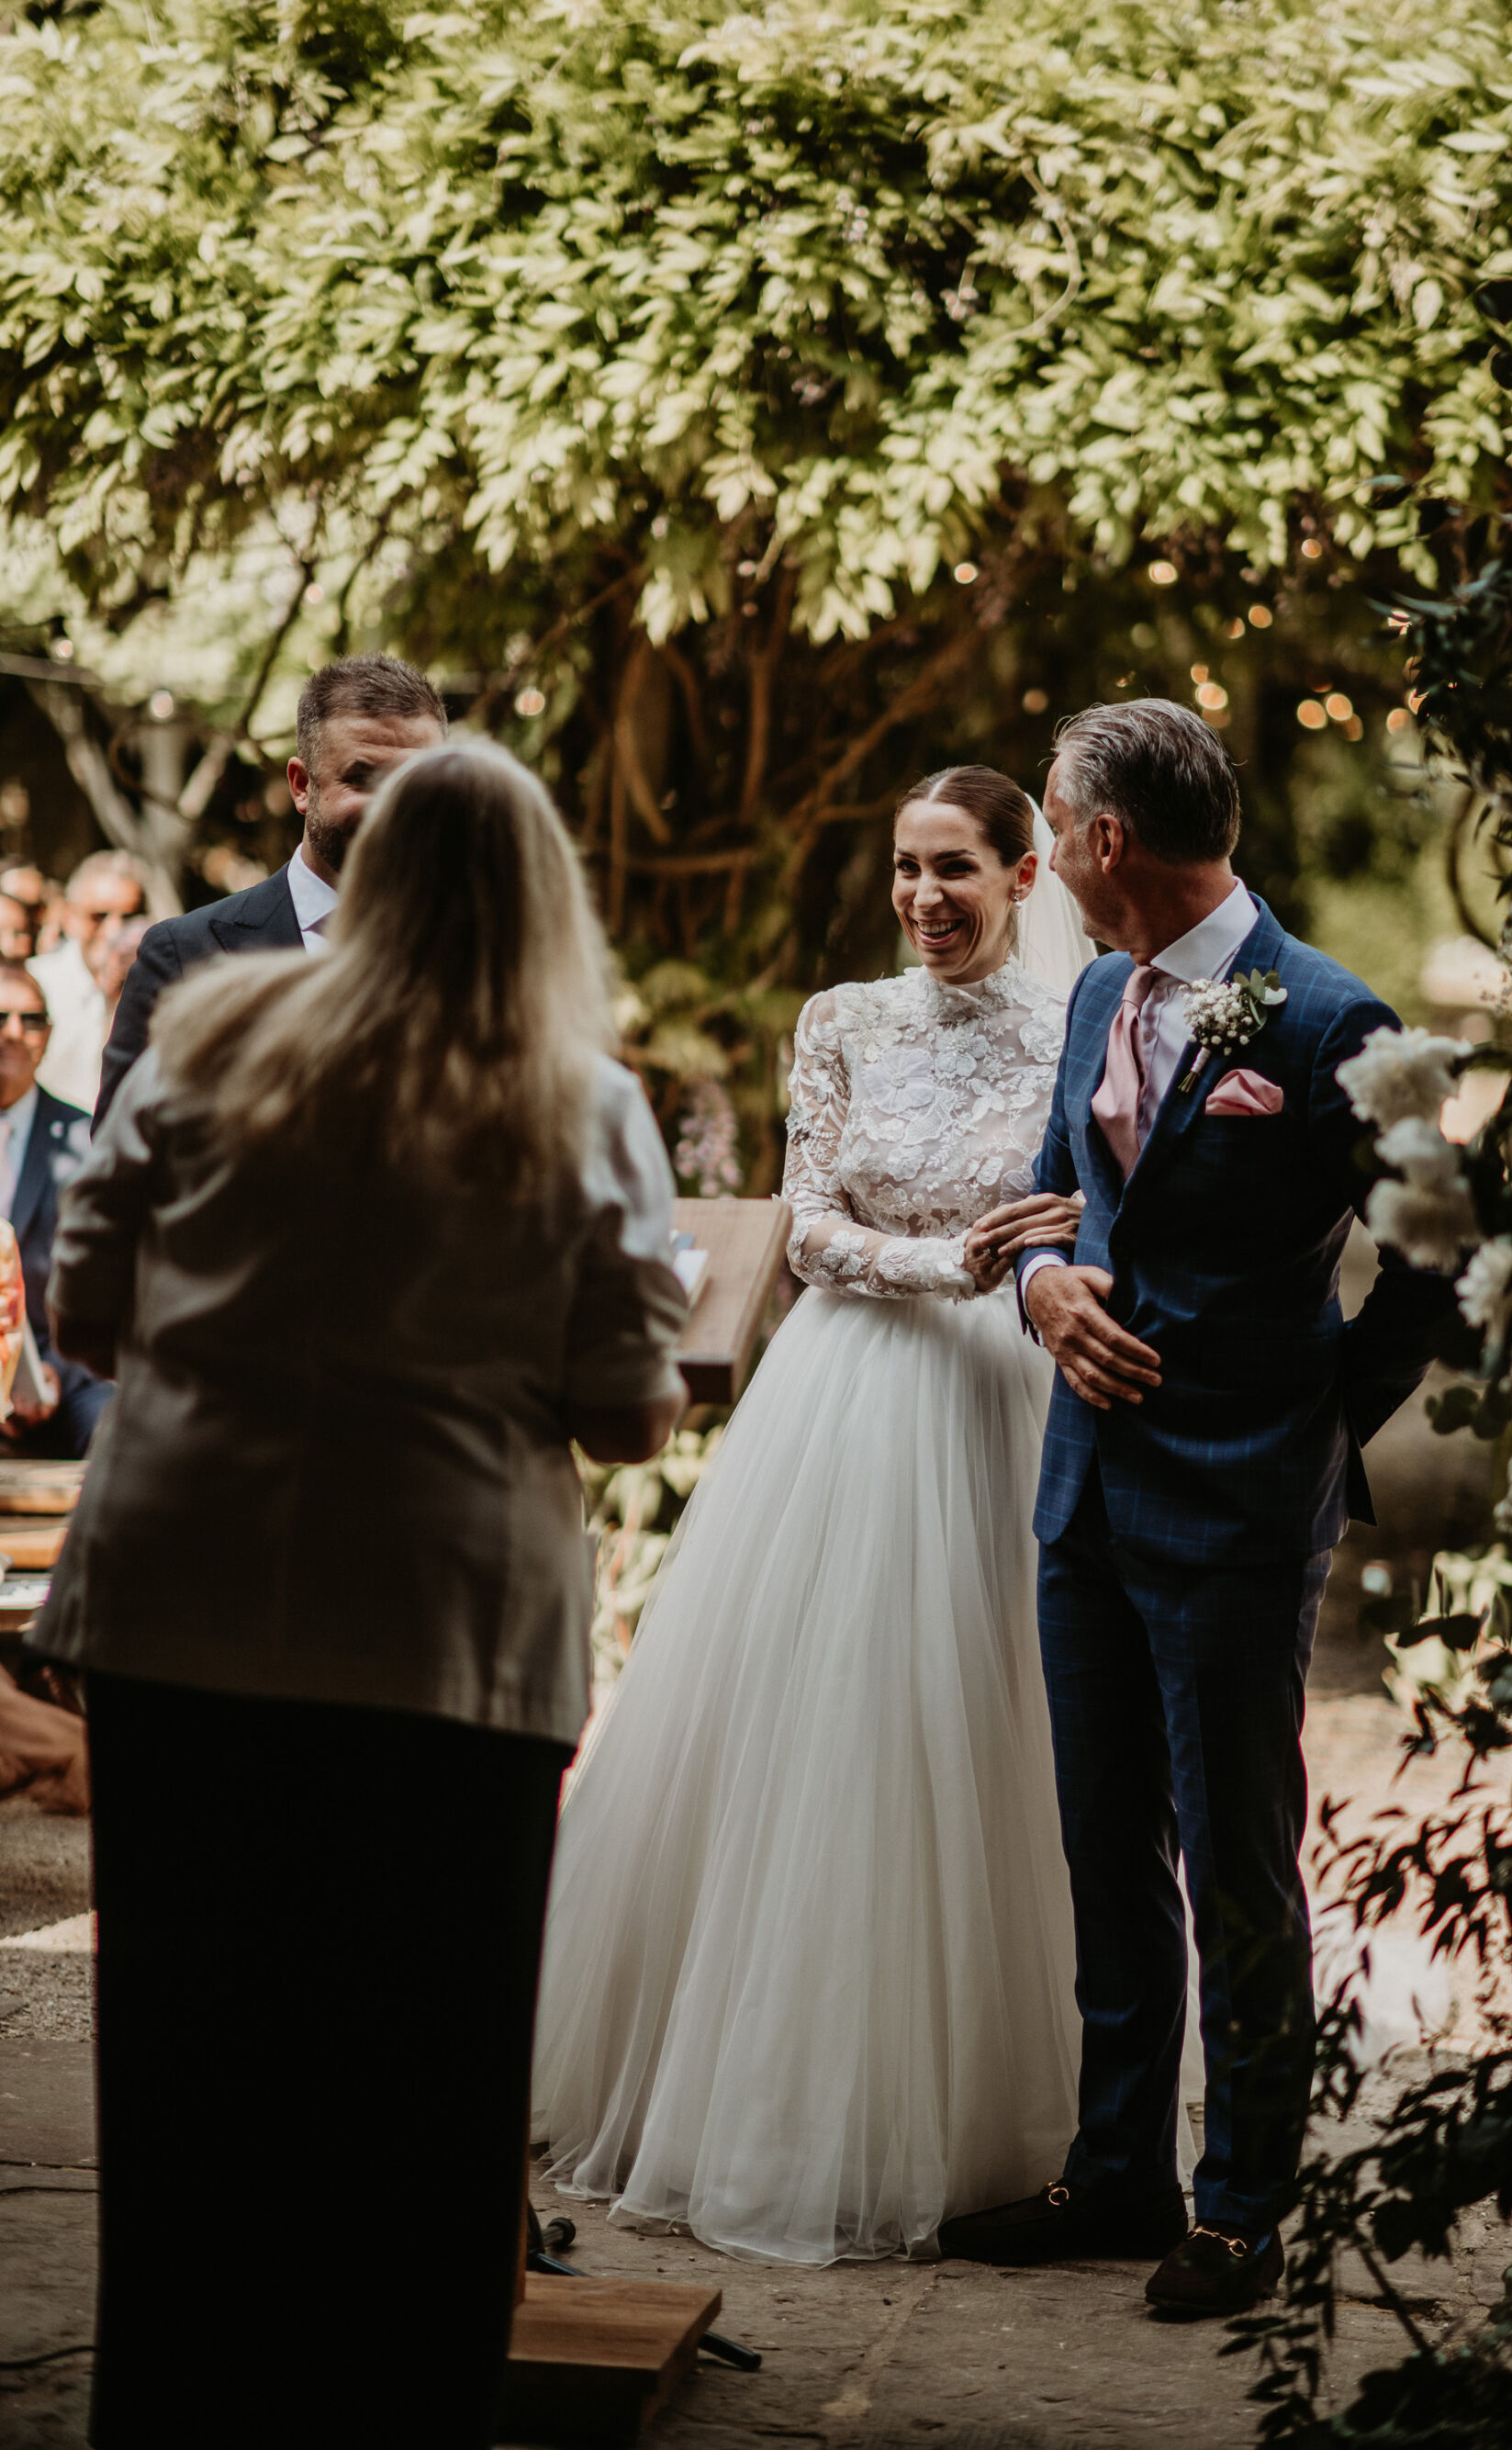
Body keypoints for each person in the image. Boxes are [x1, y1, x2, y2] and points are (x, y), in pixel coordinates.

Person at [36, 740, 689, 2448]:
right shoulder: (573, 1097)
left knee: (187, 2061)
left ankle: (177, 2412)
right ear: (545, 903)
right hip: (443, 1634)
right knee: (425, 2083)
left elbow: (84, 1315)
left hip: (181, 1604)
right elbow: (625, 1409)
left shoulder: (206, 1040)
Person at [529, 765, 1177, 2267]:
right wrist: (948, 1264)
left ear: (1027, 873)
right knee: (815, 1740)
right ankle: (764, 2096)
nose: (923, 900)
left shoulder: (1091, 1022)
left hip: (1012, 1402)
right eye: (904, 869)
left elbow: (1114, 1202)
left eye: (954, 869)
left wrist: (1059, 1243)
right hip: (849, 1398)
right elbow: (807, 1225)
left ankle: (1011, 2125)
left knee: (1004, 1745)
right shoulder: (839, 1020)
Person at [938, 702, 1454, 2316]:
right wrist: (1037, 1288)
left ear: (1104, 844)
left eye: (1055, 829)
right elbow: (1047, 1197)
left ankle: (1240, 2203)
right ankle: (1116, 2173)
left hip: (1238, 1499)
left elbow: (1440, 1245)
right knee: (1105, 1840)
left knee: (1236, 1853)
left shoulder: (1329, 1019)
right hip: (1081, 1487)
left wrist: (1314, 1424)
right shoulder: (1097, 985)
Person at [93, 650, 447, 1124]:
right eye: (363, 779)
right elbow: (122, 1171)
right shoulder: (185, 958)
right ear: (302, 786)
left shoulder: (478, 953)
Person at [0, 964, 112, 1455]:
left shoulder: (87, 1139)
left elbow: (103, 1283)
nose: (14, 1034)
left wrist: (50, 1375)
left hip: (63, 1369)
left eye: (32, 1020)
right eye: (0, 1017)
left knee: (117, 1435)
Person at [31, 849, 146, 1110]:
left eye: (128, 916)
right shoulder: (38, 984)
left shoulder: (159, 988)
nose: (114, 930)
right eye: (98, 916)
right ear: (69, 917)